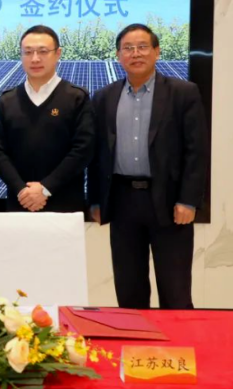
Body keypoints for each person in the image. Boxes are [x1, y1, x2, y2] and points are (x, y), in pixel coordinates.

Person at [89, 23, 207, 309]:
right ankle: (135, 336)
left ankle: (176, 338)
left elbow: (196, 151)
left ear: (157, 52)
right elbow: (97, 153)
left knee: (175, 289)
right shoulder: (104, 97)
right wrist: (96, 200)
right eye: (128, 48)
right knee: (129, 288)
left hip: (169, 202)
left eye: (142, 47)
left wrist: (188, 200)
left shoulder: (183, 92)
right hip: (122, 200)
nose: (135, 53)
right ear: (118, 55)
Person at [0, 25, 94, 212]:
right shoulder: (7, 100)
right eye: (28, 52)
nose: (35, 58)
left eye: (43, 51)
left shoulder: (76, 97)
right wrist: (21, 190)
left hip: (65, 204)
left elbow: (83, 150)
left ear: (58, 54)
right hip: (19, 202)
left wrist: (45, 189)